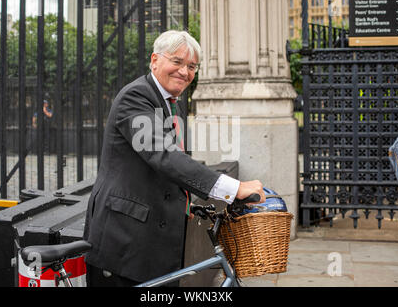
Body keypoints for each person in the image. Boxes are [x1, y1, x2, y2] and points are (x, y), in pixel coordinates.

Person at [83, 30, 265, 287]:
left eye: (192, 66)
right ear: (155, 60)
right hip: (124, 240)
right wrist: (233, 187)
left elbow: (175, 158)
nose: (185, 72)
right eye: (177, 62)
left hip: (153, 238)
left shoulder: (173, 102)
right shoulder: (134, 97)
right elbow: (162, 155)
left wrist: (186, 201)